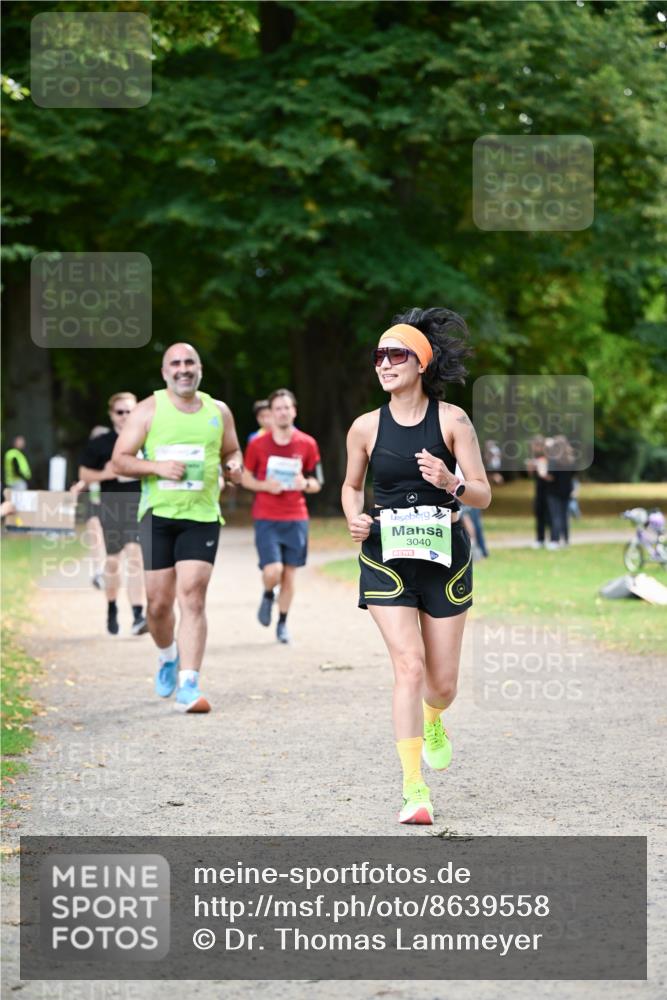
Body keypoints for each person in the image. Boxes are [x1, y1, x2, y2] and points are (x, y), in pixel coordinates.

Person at [341, 308, 491, 826]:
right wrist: (354, 519)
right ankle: (413, 788)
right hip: (386, 558)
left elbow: (484, 494)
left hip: (444, 559)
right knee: (408, 666)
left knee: (442, 683)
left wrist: (451, 483)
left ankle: (434, 720)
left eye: (396, 354)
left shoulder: (452, 421)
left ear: (421, 363)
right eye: (379, 355)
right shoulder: (364, 427)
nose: (384, 363)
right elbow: (350, 486)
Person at [111, 343, 243, 713]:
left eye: (189, 362)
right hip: (158, 516)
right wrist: (157, 467)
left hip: (201, 516)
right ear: (165, 371)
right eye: (176, 363)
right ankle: (167, 655)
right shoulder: (148, 409)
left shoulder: (218, 411)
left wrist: (234, 467)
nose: (183, 369)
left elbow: (231, 451)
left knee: (193, 596)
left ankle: (189, 683)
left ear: (200, 368)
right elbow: (119, 460)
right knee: (157, 605)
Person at [241, 388, 322, 644]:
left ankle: (283, 623)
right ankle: (267, 594)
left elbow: (318, 481)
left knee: (289, 575)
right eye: (278, 408)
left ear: (294, 411)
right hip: (267, 516)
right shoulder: (257, 444)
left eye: (287, 407)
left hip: (296, 517)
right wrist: (265, 486)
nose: (283, 412)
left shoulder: (307, 443)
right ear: (271, 414)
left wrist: (305, 484)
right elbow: (245, 477)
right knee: (273, 570)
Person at [79, 396, 148, 636]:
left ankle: (139, 615)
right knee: (112, 563)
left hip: (139, 505)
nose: (125, 416)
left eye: (129, 411)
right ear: (111, 414)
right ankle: (111, 606)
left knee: (135, 556)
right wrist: (106, 474)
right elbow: (84, 474)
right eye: (120, 412)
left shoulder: (146, 438)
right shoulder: (101, 443)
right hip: (112, 506)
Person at [543, 436, 575, 549]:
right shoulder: (571, 460)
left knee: (555, 516)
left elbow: (550, 476)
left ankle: (555, 540)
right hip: (566, 491)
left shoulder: (553, 460)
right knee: (564, 516)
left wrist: (543, 474)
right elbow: (573, 476)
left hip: (554, 491)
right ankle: (565, 539)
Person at [525, 435, 550, 549]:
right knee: (539, 513)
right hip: (539, 489)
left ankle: (553, 538)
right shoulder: (535, 457)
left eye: (535, 446)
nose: (533, 448)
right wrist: (531, 467)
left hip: (549, 490)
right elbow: (531, 475)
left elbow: (546, 474)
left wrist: (540, 465)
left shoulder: (549, 456)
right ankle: (540, 539)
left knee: (549, 515)